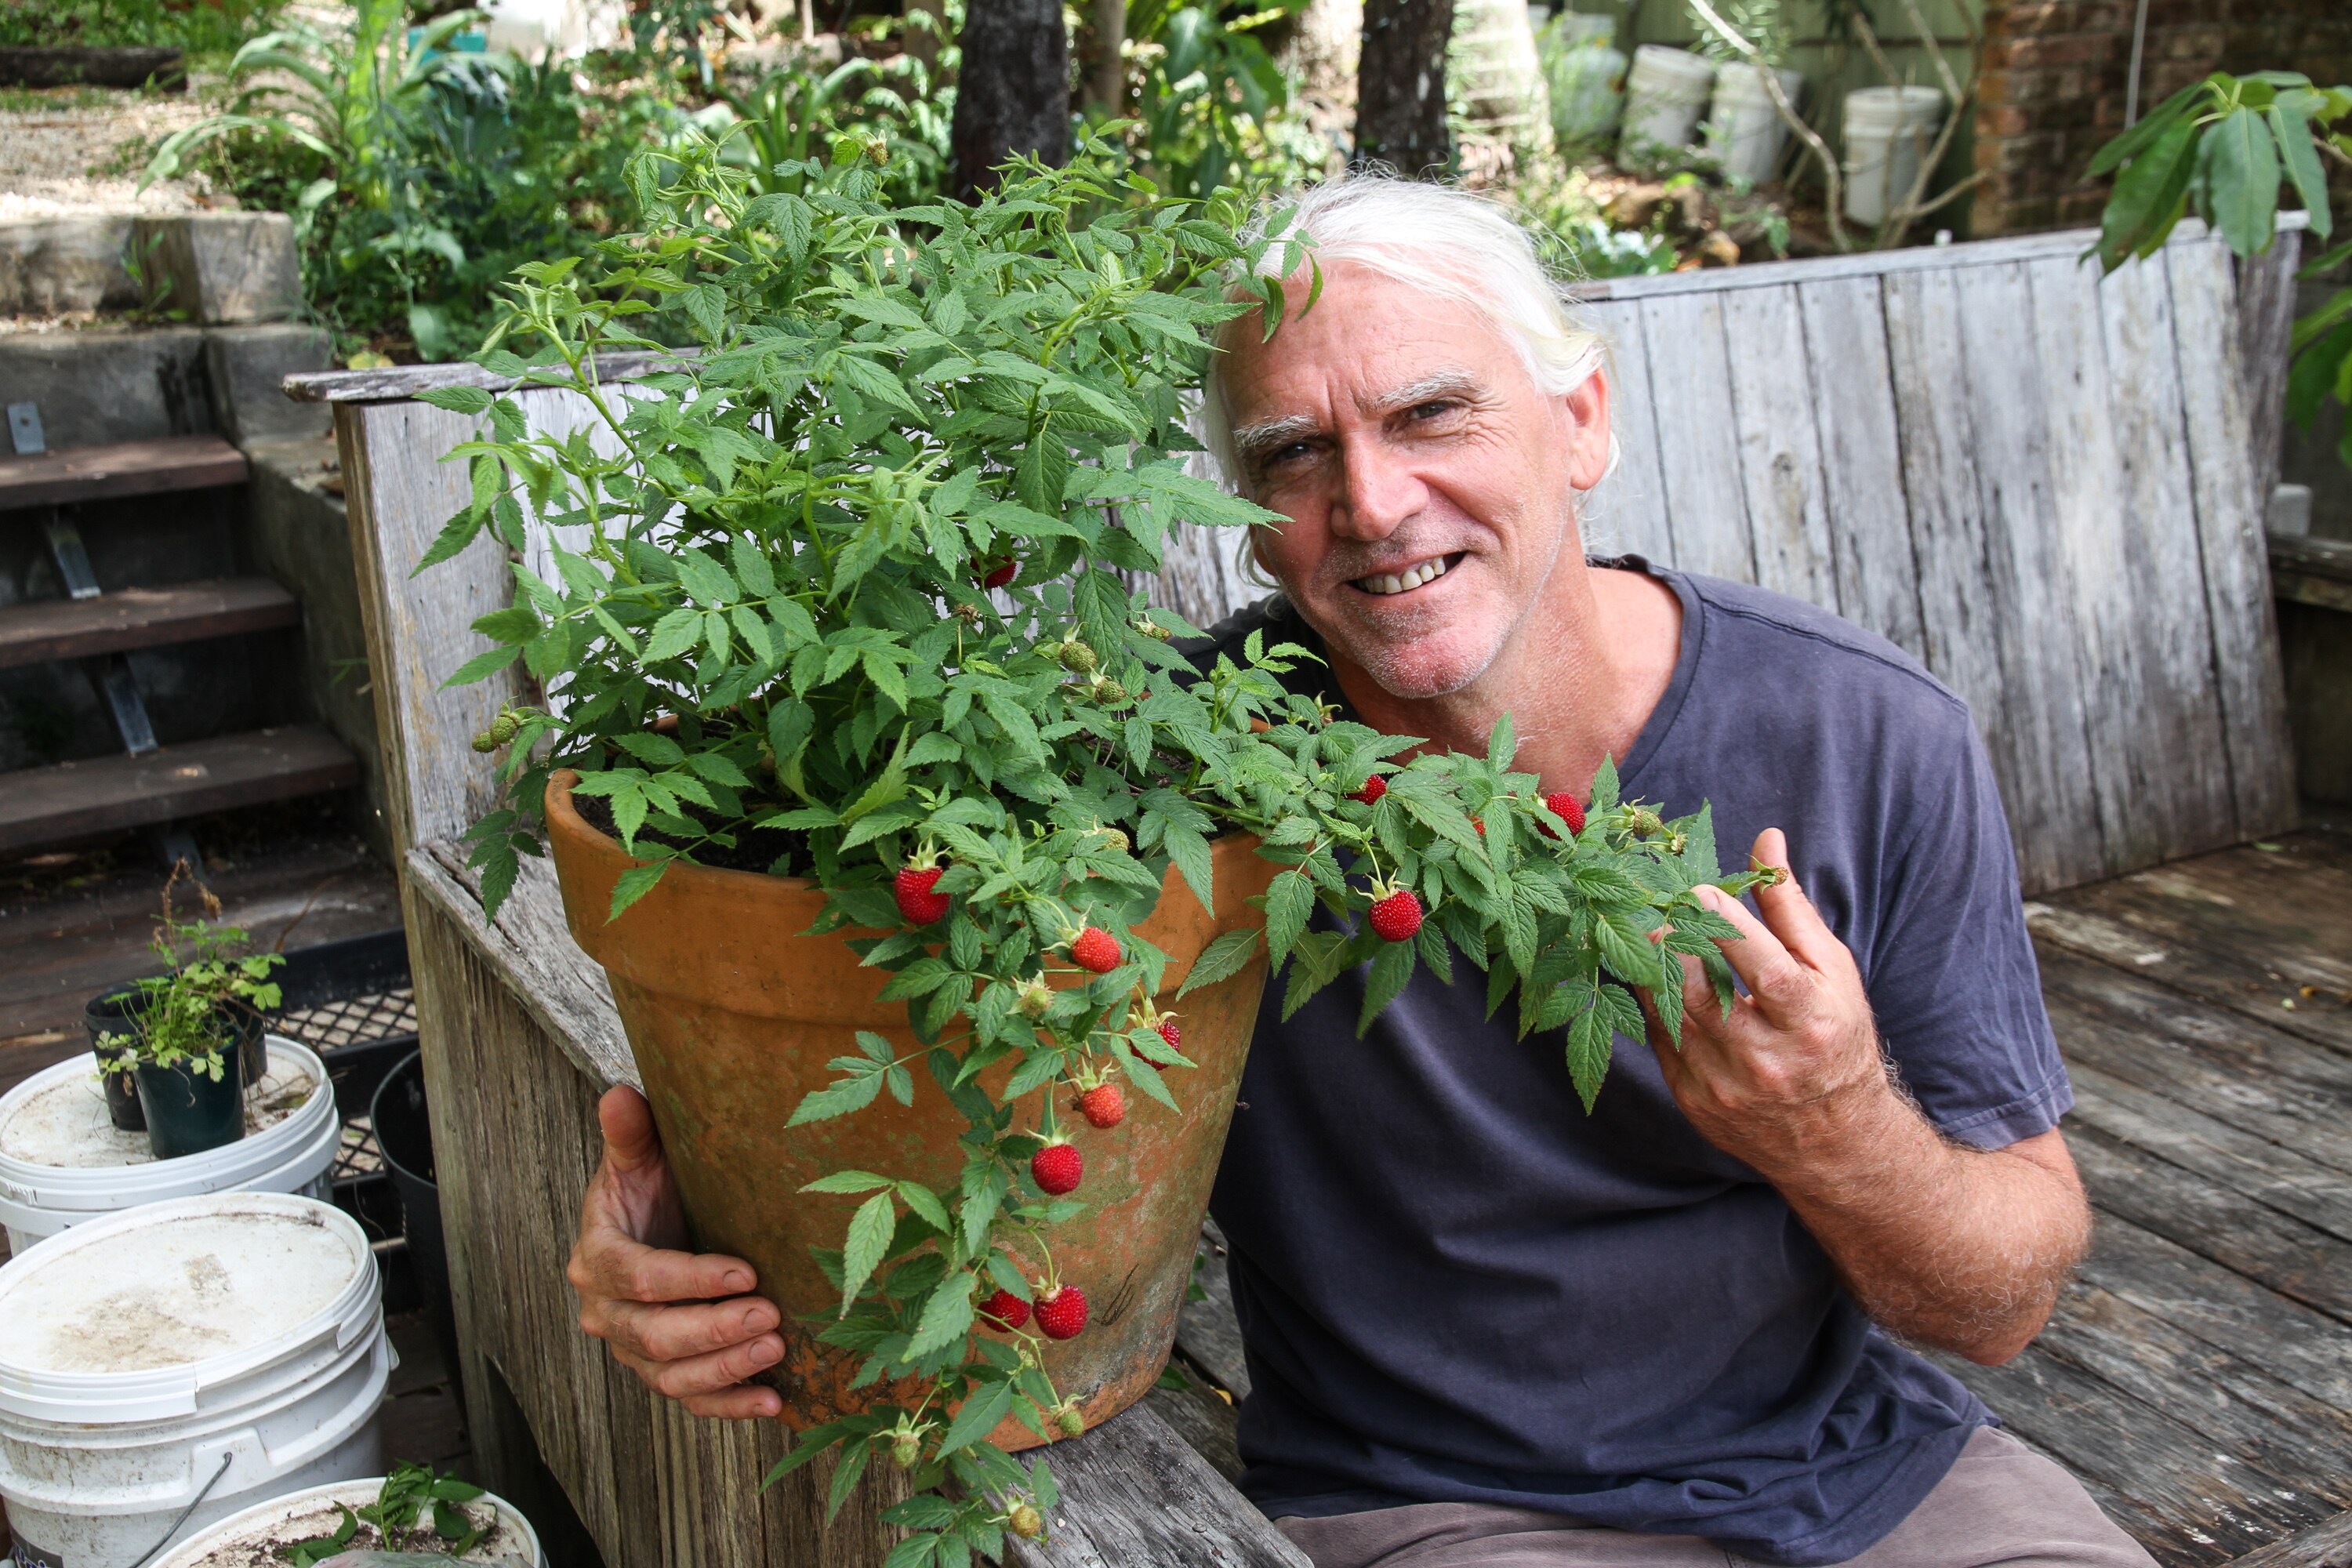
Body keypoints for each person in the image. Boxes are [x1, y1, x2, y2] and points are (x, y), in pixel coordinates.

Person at [565, 177, 2154, 1568]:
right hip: (1441, 1512)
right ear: (1249, 516)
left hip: (1882, 1478)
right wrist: (691, 1215)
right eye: (1293, 452)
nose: (1373, 504)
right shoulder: (1155, 770)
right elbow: (860, 979)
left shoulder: (1865, 734)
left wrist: (1841, 1127)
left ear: (1581, 417)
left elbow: (2000, 1301)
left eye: (1432, 411)